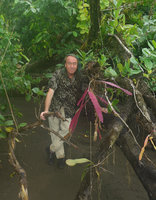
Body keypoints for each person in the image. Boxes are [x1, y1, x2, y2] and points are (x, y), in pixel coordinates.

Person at [40, 54, 85, 169]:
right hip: (55, 108)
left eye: (74, 64)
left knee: (66, 131)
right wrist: (46, 110)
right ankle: (60, 157)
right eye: (69, 63)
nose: (72, 66)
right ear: (65, 64)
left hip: (69, 109)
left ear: (77, 65)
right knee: (54, 132)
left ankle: (50, 149)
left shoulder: (80, 77)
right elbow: (50, 92)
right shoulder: (58, 74)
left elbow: (87, 92)